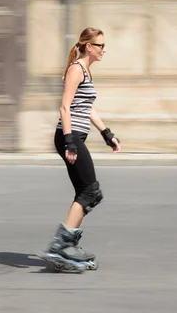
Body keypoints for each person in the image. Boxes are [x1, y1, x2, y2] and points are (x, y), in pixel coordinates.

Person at [39, 27, 122, 271]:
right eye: (100, 46)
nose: (104, 50)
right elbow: (65, 108)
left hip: (75, 135)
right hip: (69, 135)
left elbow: (87, 108)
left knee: (87, 193)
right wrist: (70, 141)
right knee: (90, 191)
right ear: (88, 46)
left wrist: (107, 134)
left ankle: (66, 245)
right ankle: (61, 246)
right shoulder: (76, 69)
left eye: (104, 46)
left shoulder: (86, 71)